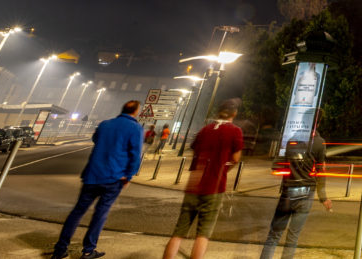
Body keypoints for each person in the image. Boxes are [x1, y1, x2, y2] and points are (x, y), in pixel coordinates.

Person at [52, 100, 143, 259]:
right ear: (135, 112)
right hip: (114, 178)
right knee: (100, 214)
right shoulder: (135, 128)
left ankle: (60, 249)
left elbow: (95, 139)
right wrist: (128, 176)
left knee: (77, 212)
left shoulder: (105, 124)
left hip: (92, 175)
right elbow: (135, 156)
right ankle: (88, 250)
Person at [162, 99, 244, 259]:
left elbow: (195, 152)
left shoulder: (204, 130)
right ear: (234, 114)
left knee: (179, 232)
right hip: (214, 186)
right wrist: (224, 167)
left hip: (193, 186)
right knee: (203, 234)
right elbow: (235, 158)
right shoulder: (235, 131)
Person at [260, 130, 332, 259]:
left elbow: (277, 166)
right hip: (306, 192)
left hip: (288, 191)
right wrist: (323, 197)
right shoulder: (319, 142)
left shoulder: (291, 140)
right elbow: (321, 170)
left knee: (274, 234)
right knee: (293, 237)